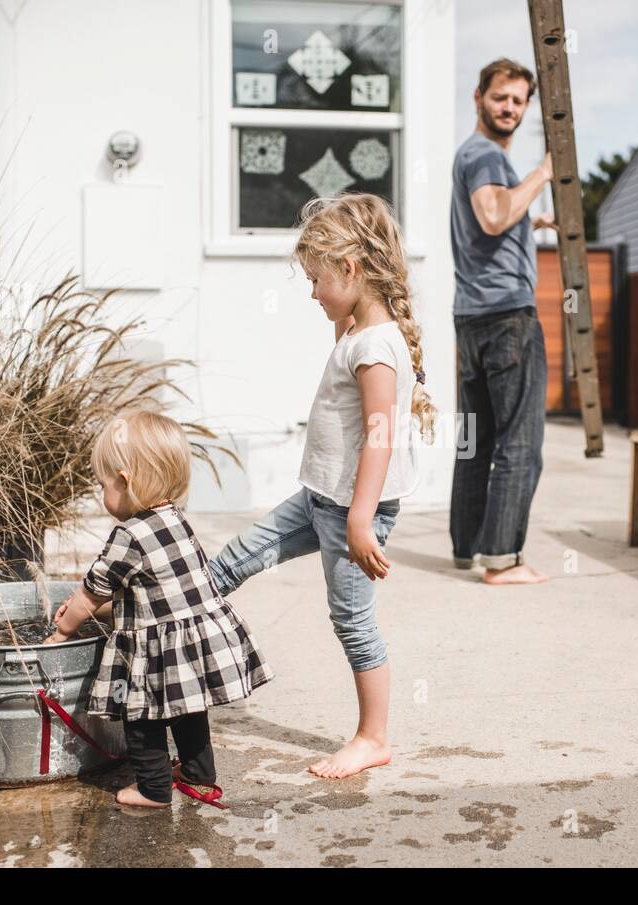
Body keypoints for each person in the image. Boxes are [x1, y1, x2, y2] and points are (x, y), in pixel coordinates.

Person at [206, 192, 436, 779]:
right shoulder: (358, 333)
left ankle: (372, 737)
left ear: (351, 270)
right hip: (318, 499)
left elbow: (380, 435)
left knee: (352, 620)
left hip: (350, 512)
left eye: (316, 280)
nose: (312, 293)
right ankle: (178, 639)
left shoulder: (376, 347)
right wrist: (343, 315)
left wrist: (361, 520)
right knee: (234, 560)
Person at [46, 410, 272, 809]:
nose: (102, 495)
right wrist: (105, 613)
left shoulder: (127, 535)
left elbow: (89, 594)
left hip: (158, 650)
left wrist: (63, 632)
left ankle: (152, 788)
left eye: (103, 485)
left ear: (125, 481)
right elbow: (154, 588)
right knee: (189, 710)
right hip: (193, 640)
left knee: (142, 714)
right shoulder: (174, 519)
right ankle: (200, 776)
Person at [449, 57, 555, 586]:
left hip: (470, 318)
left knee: (476, 441)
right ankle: (503, 561)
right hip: (507, 316)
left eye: (518, 100)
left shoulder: (471, 157)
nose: (509, 108)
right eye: (500, 97)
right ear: (478, 97)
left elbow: (487, 220)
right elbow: (492, 215)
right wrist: (543, 174)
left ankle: (467, 548)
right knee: (521, 442)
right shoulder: (486, 155)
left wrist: (529, 218)